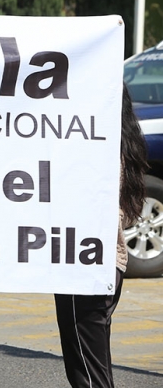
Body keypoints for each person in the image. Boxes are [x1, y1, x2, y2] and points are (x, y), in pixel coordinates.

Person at [54, 85, 148, 388]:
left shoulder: (96, 143)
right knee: (93, 367)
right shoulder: (119, 140)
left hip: (85, 264)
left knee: (88, 374)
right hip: (107, 263)